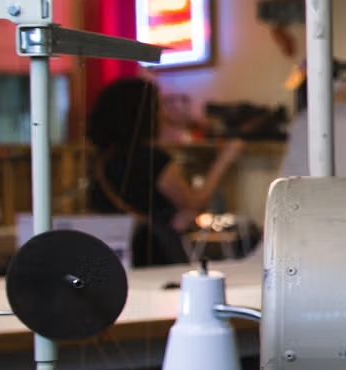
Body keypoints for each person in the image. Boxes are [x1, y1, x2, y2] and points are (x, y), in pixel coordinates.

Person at [87, 76, 244, 267]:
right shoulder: (153, 159)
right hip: (153, 253)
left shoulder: (101, 159)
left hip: (113, 253)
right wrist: (224, 160)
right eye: (159, 107)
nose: (163, 114)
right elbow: (195, 202)